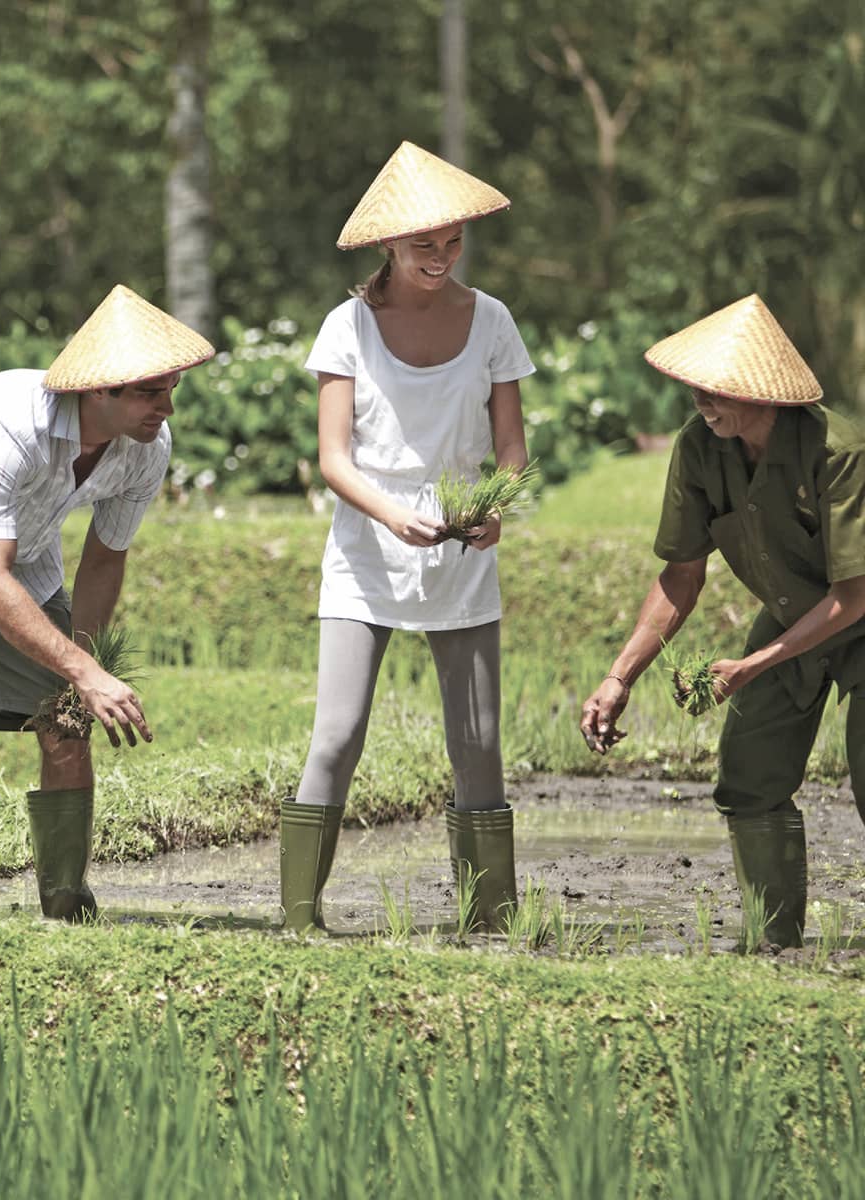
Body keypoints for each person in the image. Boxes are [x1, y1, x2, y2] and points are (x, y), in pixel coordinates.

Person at [280, 141, 535, 933]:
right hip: (365, 552)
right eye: (426, 243)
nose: (442, 256)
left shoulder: (490, 319)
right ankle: (296, 921)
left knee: (479, 744)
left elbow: (514, 451)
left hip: (460, 551)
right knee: (337, 734)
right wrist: (390, 514)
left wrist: (495, 506)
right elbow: (334, 459)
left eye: (453, 241)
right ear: (388, 243)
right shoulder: (346, 326)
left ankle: (488, 922)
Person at [0, 284, 214, 920]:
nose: (168, 409)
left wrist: (84, 670)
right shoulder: (11, 421)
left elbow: (105, 557)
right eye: (152, 393)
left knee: (65, 722)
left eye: (172, 390)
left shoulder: (146, 449)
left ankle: (66, 903)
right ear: (101, 389)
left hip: (24, 549)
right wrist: (86, 671)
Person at [580, 293, 865, 948]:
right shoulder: (700, 447)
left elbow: (852, 597)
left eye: (718, 392)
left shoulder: (838, 451)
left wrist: (749, 666)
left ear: (764, 392)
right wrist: (619, 677)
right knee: (749, 775)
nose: (703, 405)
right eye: (695, 390)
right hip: (796, 616)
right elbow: (681, 575)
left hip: (856, 615)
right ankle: (774, 945)